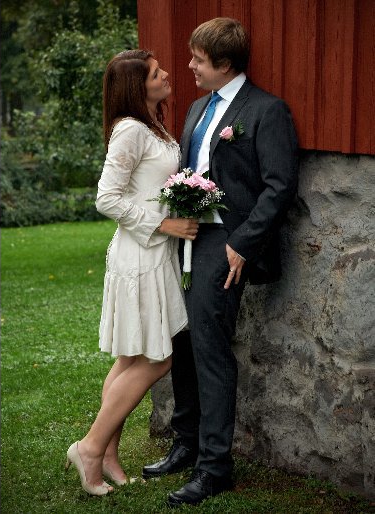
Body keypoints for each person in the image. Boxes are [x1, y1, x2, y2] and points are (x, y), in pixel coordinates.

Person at [142, 17, 299, 507]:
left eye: (198, 60)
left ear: (225, 64)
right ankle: (185, 444)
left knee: (209, 343)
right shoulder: (195, 109)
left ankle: (215, 467)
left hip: (227, 242)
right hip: (187, 237)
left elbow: (279, 186)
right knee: (182, 339)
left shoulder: (267, 111)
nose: (188, 66)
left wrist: (243, 243)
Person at [65, 49, 198, 496]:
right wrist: (165, 223)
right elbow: (107, 198)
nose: (166, 75)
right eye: (157, 74)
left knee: (128, 358)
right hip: (140, 256)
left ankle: (106, 453)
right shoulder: (130, 132)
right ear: (136, 87)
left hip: (156, 253)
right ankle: (90, 447)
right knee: (157, 359)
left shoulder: (151, 125)